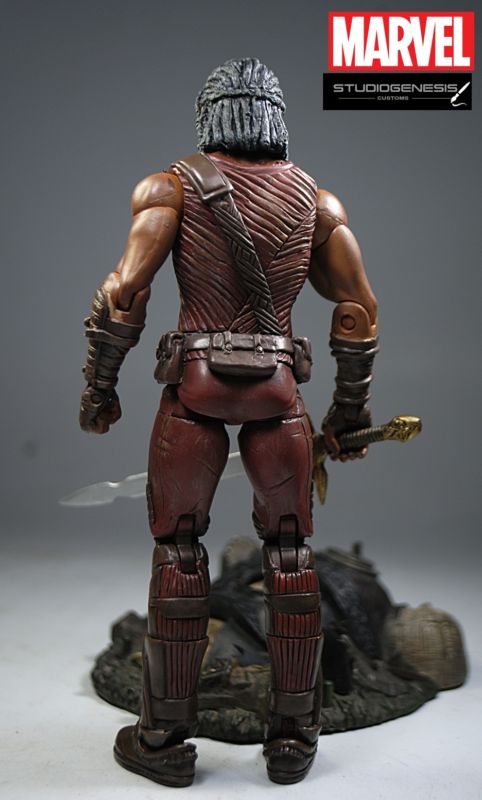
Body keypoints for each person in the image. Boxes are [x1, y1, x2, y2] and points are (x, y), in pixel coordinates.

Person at [79, 58, 378, 787]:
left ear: (210, 113)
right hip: (279, 393)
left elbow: (124, 291)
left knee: (179, 548)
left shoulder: (170, 188)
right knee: (291, 552)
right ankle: (293, 737)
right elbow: (357, 309)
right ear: (275, 116)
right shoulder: (317, 202)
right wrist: (349, 409)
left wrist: (99, 388)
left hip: (196, 390)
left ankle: (162, 738)